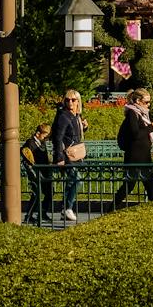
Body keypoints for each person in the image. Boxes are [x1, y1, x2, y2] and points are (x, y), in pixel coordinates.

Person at [113, 88, 153, 209]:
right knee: (129, 185)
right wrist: (152, 127)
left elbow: (143, 132)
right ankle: (111, 208)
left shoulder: (142, 113)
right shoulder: (132, 113)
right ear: (137, 101)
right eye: (146, 102)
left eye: (149, 102)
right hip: (135, 156)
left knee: (151, 186)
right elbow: (135, 134)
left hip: (144, 155)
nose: (148, 105)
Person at [50, 89, 88, 222]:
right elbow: (57, 138)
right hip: (67, 155)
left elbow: (73, 135)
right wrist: (59, 157)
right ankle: (67, 208)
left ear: (78, 101)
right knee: (77, 179)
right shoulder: (63, 116)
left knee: (72, 181)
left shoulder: (76, 116)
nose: (70, 102)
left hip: (75, 155)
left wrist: (84, 127)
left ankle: (65, 208)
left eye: (73, 100)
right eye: (67, 100)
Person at [21, 123, 52, 225]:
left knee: (49, 191)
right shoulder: (30, 142)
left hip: (44, 170)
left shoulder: (42, 142)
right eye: (44, 135)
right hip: (35, 171)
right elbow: (24, 152)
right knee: (36, 193)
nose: (46, 138)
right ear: (38, 133)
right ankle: (28, 216)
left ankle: (42, 213)